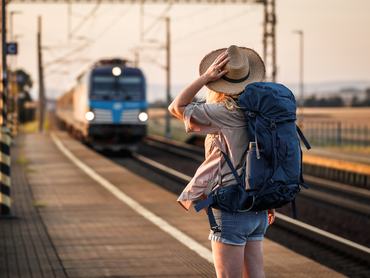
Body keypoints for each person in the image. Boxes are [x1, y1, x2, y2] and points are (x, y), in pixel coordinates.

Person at [168, 45, 276, 278]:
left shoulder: (224, 112)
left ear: (219, 81)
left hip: (232, 207)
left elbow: (176, 107)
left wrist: (204, 78)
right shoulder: (262, 112)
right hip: (259, 207)